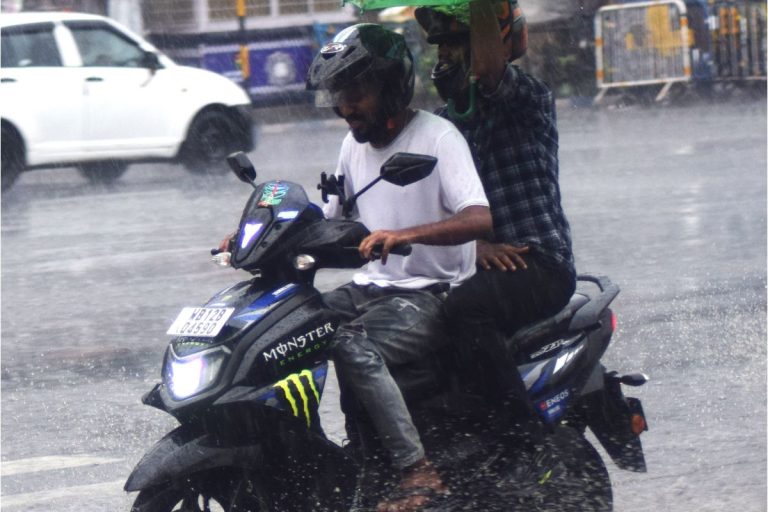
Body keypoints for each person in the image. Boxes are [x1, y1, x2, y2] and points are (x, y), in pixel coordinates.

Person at [305, 23, 492, 512]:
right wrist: (258, 235)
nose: (346, 107)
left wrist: (406, 236)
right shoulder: (353, 146)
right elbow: (332, 220)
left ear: (389, 85)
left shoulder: (437, 137)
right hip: (370, 286)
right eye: (338, 95)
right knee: (292, 325)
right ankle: (334, 454)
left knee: (352, 345)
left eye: (356, 92)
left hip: (429, 293)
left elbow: (479, 216)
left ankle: (417, 469)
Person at [414, 0, 577, 476]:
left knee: (467, 309)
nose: (444, 57)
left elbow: (489, 72)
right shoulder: (445, 123)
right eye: (440, 46)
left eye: (455, 44)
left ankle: (524, 442)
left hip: (538, 261)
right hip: (478, 264)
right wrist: (473, 245)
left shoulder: (526, 98)